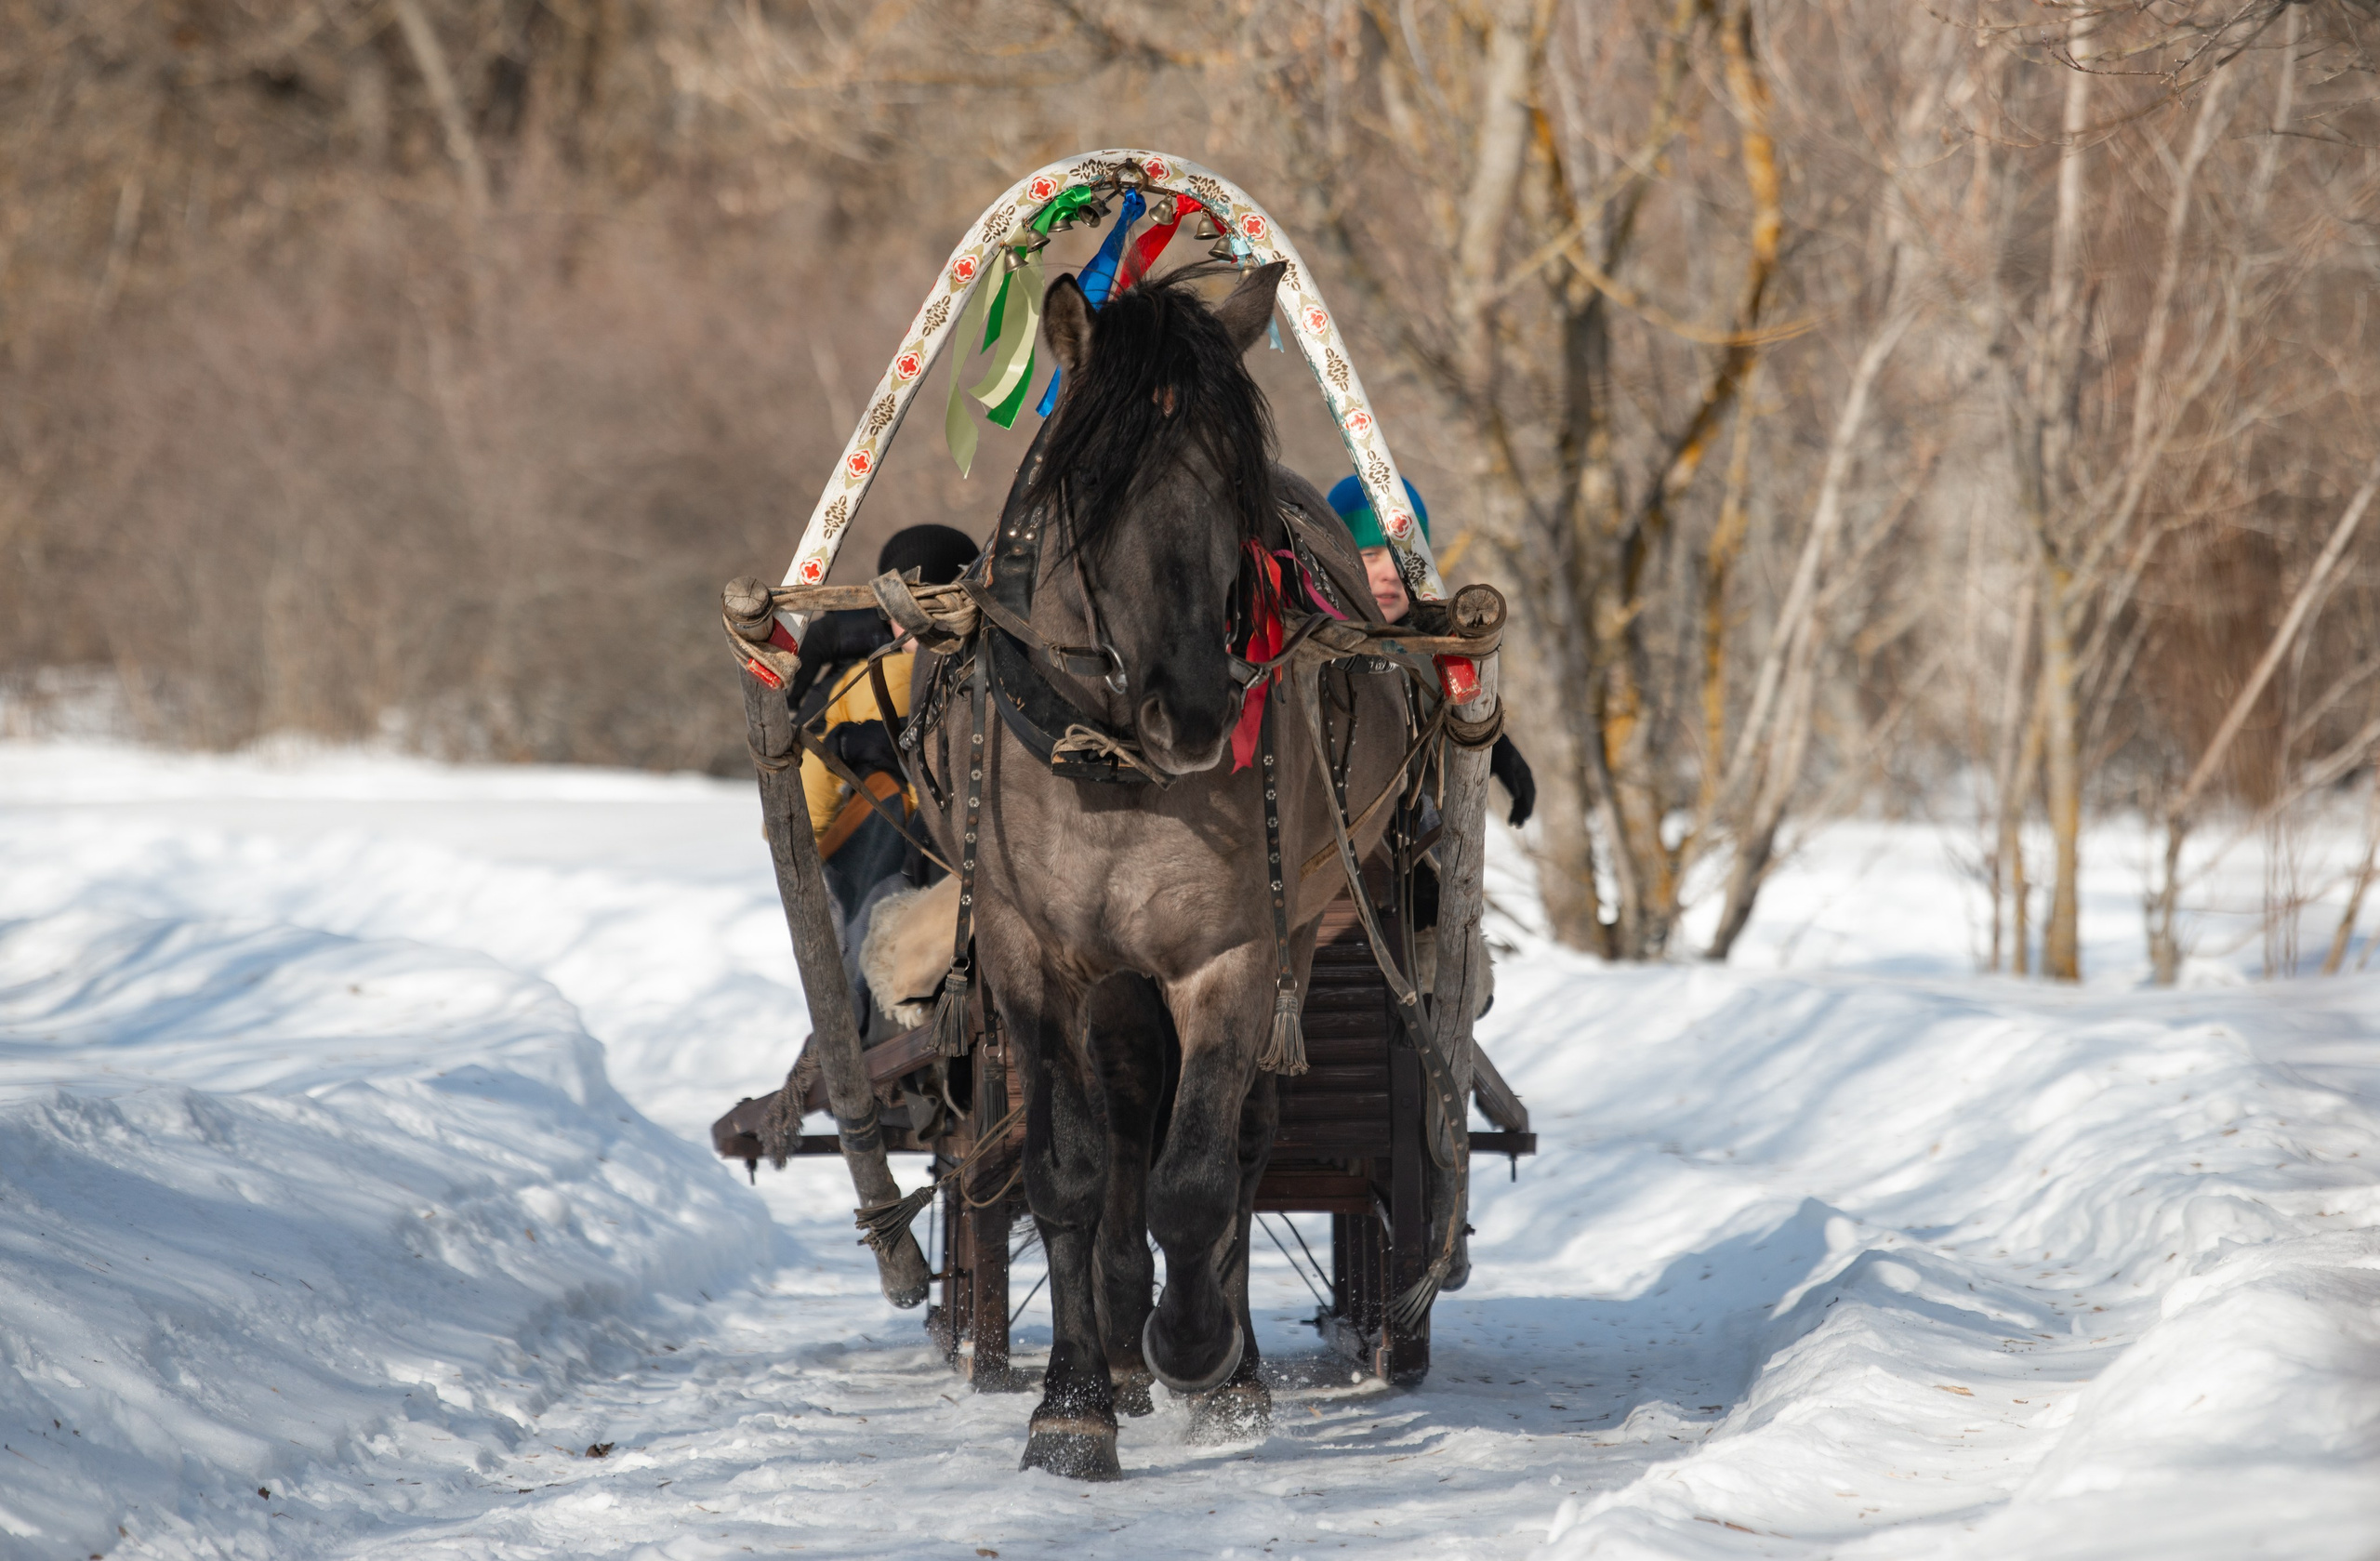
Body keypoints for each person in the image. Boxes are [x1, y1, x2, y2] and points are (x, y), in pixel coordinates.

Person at [1326, 475, 1536, 828]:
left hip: (1426, 838)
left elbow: (1453, 713)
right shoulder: (1319, 649)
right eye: (1370, 555)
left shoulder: (1436, 646)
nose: (1390, 573)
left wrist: (1498, 750)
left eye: (1402, 557)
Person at [792, 523, 979, 921]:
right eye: (907, 607)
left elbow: (802, 817)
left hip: (879, 872)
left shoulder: (860, 681)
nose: (919, 620)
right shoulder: (993, 670)